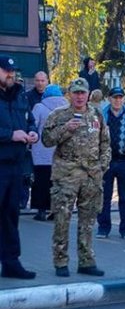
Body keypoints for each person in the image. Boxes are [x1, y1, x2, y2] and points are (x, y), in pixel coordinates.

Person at [42, 77, 110, 277]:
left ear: (88, 94)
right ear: (69, 94)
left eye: (83, 93)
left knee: (88, 221)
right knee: (62, 219)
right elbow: (46, 140)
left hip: (91, 175)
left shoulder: (96, 114)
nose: (79, 96)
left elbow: (105, 142)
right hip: (66, 175)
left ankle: (86, 261)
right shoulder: (59, 115)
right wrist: (65, 129)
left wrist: (102, 166)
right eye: (76, 92)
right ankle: (61, 261)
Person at [0, 56, 37, 279]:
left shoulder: (20, 96)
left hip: (16, 167)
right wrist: (10, 135)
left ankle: (11, 262)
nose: (10, 74)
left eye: (12, 71)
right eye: (6, 71)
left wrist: (33, 132)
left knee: (11, 216)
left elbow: (30, 120)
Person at [96, 87, 125, 239]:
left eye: (120, 97)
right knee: (104, 197)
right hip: (106, 162)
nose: (117, 100)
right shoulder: (101, 116)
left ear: (123, 99)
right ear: (109, 99)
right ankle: (103, 228)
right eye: (115, 97)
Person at [30, 84, 67, 222]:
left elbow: (33, 125)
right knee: (57, 183)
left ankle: (41, 211)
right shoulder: (66, 108)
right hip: (60, 153)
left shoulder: (39, 107)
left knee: (41, 182)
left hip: (41, 152)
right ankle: (55, 211)